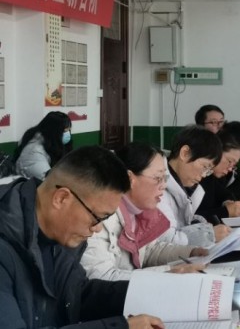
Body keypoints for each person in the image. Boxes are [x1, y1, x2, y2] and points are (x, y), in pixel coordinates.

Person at [0, 145, 162, 328]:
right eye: (97, 218)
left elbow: (76, 296)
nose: (98, 228)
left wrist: (148, 292)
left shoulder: (59, 234)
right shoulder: (6, 246)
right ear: (61, 198)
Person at [81, 142, 208, 280]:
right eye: (158, 178)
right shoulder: (101, 217)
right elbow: (102, 277)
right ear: (130, 178)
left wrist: (190, 253)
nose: (164, 185)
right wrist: (169, 273)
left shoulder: (139, 211)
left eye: (165, 178)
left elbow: (148, 251)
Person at [158, 126, 230, 246]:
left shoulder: (186, 187)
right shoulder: (157, 188)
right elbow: (165, 241)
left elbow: (181, 224)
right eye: (205, 167)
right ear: (185, 153)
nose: (204, 175)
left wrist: (199, 224)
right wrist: (208, 235)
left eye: (209, 171)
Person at [196, 131, 240, 223]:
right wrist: (225, 211)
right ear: (216, 152)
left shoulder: (211, 177)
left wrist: (227, 202)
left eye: (233, 165)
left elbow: (224, 194)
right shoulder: (195, 176)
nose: (230, 169)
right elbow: (190, 218)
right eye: (229, 161)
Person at [14, 111, 73, 180]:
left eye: (69, 130)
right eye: (65, 131)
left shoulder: (53, 144)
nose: (68, 134)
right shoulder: (34, 152)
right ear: (54, 132)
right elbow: (48, 180)